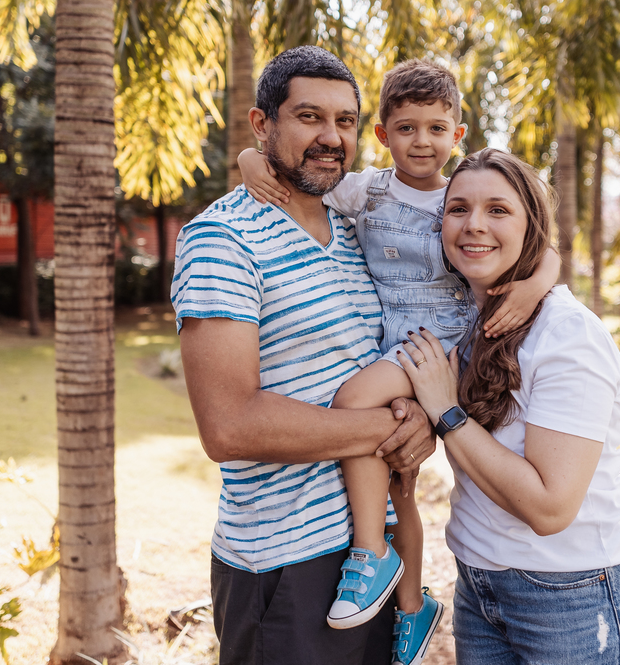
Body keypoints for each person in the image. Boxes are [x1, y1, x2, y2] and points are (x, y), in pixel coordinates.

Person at [238, 60, 558, 665]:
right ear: (383, 136)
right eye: (406, 129)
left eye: (437, 129)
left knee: (350, 403)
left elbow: (539, 237)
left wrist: (537, 283)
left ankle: (371, 551)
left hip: (438, 343)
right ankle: (411, 608)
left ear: (457, 135)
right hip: (394, 344)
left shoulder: (460, 196)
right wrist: (251, 161)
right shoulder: (367, 189)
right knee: (400, 484)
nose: (422, 142)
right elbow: (299, 172)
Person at [171, 46, 437, 665]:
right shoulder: (222, 240)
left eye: (345, 121)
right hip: (284, 566)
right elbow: (229, 426)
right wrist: (394, 428)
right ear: (262, 125)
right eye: (310, 117)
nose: (331, 137)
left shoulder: (354, 230)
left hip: (372, 561)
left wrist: (424, 419)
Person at [396, 148, 620, 665]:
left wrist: (446, 413)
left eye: (498, 210)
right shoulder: (463, 318)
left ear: (530, 226)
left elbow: (550, 507)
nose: (475, 225)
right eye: (458, 209)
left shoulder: (566, 334)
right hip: (479, 590)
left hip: (575, 602)